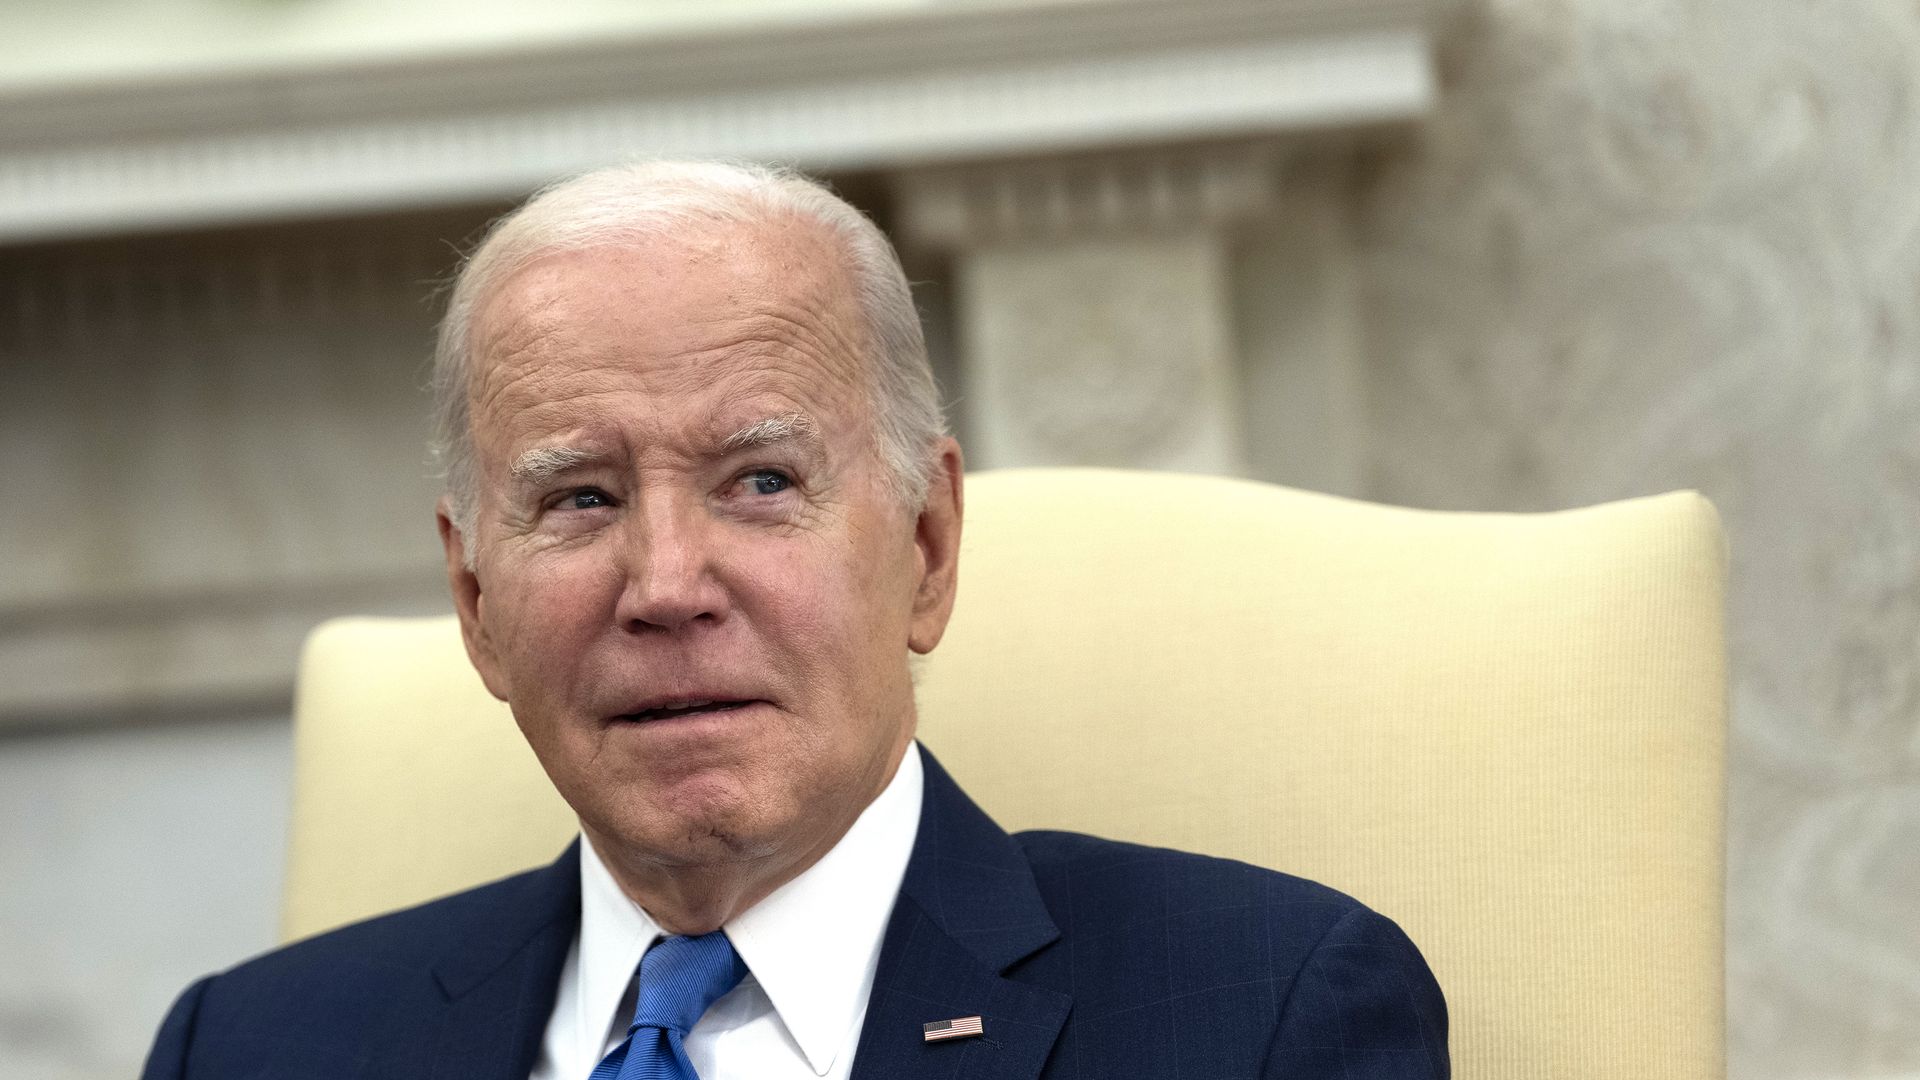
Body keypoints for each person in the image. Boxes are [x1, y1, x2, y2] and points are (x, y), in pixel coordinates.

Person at [141, 160, 1448, 1080]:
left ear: (927, 547)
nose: (664, 585)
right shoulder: (249, 1050)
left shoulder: (1261, 1013)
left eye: (760, 482)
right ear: (475, 604)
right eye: (580, 498)